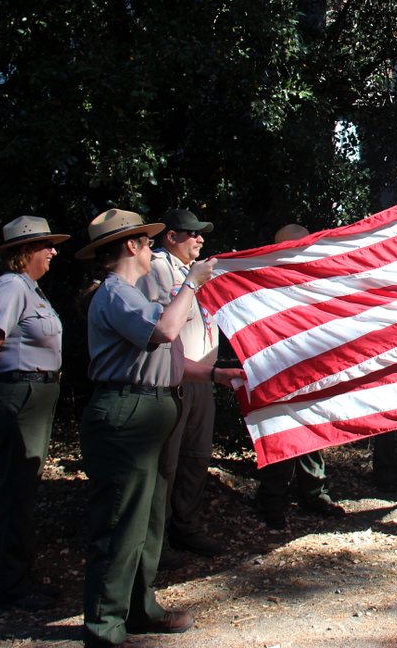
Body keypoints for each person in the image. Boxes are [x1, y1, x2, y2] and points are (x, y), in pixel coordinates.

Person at [75, 209, 242, 648]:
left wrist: (214, 375)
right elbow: (166, 332)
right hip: (126, 413)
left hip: (147, 410)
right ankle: (104, 625)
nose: (151, 249)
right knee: (120, 522)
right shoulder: (116, 293)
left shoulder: (131, 295)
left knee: (147, 521)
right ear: (131, 246)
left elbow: (166, 359)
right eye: (147, 243)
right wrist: (192, 284)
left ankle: (139, 607)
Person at [0, 215, 69, 611]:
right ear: (25, 251)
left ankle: (22, 577)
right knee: (15, 491)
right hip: (18, 392)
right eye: (46, 246)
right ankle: (12, 586)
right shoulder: (11, 287)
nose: (53, 252)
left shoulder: (30, 289)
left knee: (25, 488)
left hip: (34, 394)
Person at [135, 208, 223, 557]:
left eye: (201, 233)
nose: (200, 238)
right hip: (173, 378)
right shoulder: (157, 268)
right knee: (167, 463)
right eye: (192, 233)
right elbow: (158, 324)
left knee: (196, 457)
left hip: (203, 377)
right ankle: (157, 541)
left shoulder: (198, 272)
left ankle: (187, 527)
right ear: (171, 237)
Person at [253, 223, 346, 528]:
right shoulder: (264, 278)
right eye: (298, 244)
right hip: (278, 368)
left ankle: (314, 492)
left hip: (311, 366)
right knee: (281, 434)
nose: (305, 248)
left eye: (307, 243)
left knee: (311, 430)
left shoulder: (316, 275)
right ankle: (272, 499)